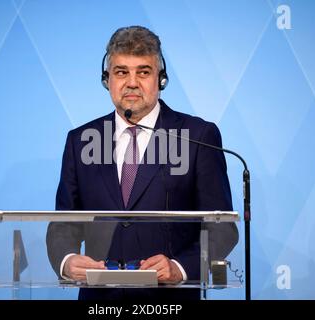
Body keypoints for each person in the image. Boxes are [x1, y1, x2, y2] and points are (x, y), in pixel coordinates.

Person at [46, 26, 238, 300]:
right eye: (121, 72)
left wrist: (180, 268)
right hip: (101, 302)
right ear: (107, 80)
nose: (132, 82)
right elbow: (63, 224)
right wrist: (67, 260)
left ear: (161, 79)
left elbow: (222, 227)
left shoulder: (197, 137)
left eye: (143, 72)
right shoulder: (81, 141)